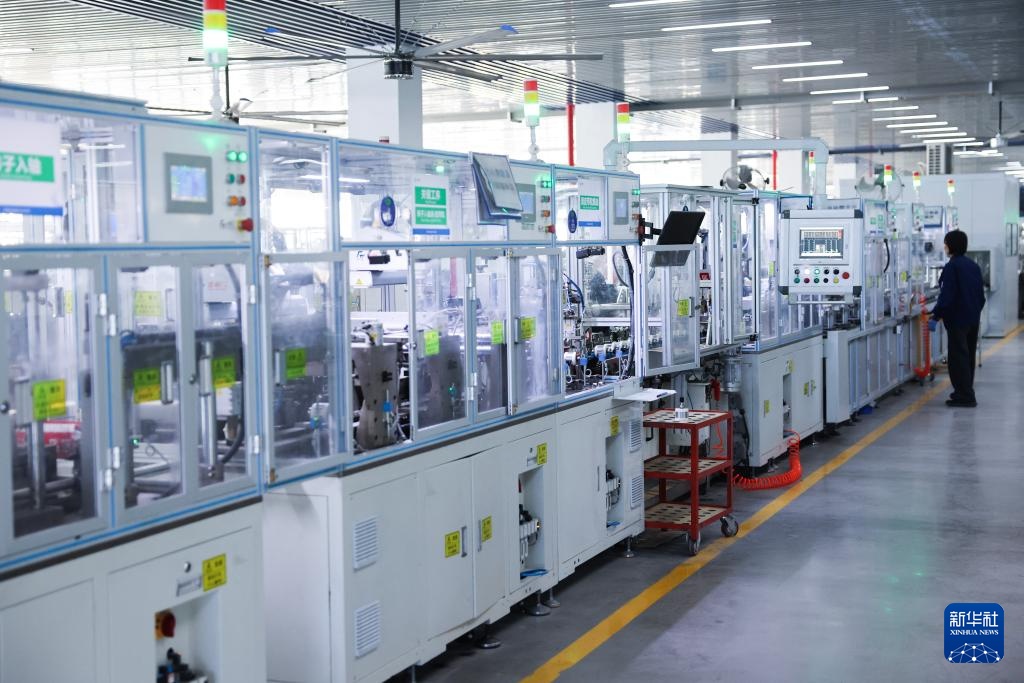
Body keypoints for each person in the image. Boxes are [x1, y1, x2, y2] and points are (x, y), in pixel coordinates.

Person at [930, 230, 985, 407]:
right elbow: (981, 296)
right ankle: (965, 391)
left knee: (958, 357)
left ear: (951, 245)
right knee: (968, 356)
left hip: (957, 320)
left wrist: (936, 315)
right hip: (972, 319)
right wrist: (974, 312)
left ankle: (965, 395)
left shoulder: (952, 267)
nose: (944, 246)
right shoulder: (973, 266)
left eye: (946, 243)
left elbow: (947, 296)